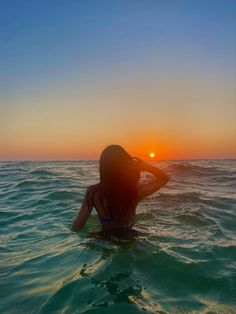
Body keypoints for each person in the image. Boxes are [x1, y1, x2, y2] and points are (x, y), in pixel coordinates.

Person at [72, 144, 170, 235]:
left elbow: (77, 227)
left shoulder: (93, 193)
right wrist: (145, 166)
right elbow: (164, 179)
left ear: (103, 168)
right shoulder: (134, 192)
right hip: (129, 236)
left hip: (103, 238)